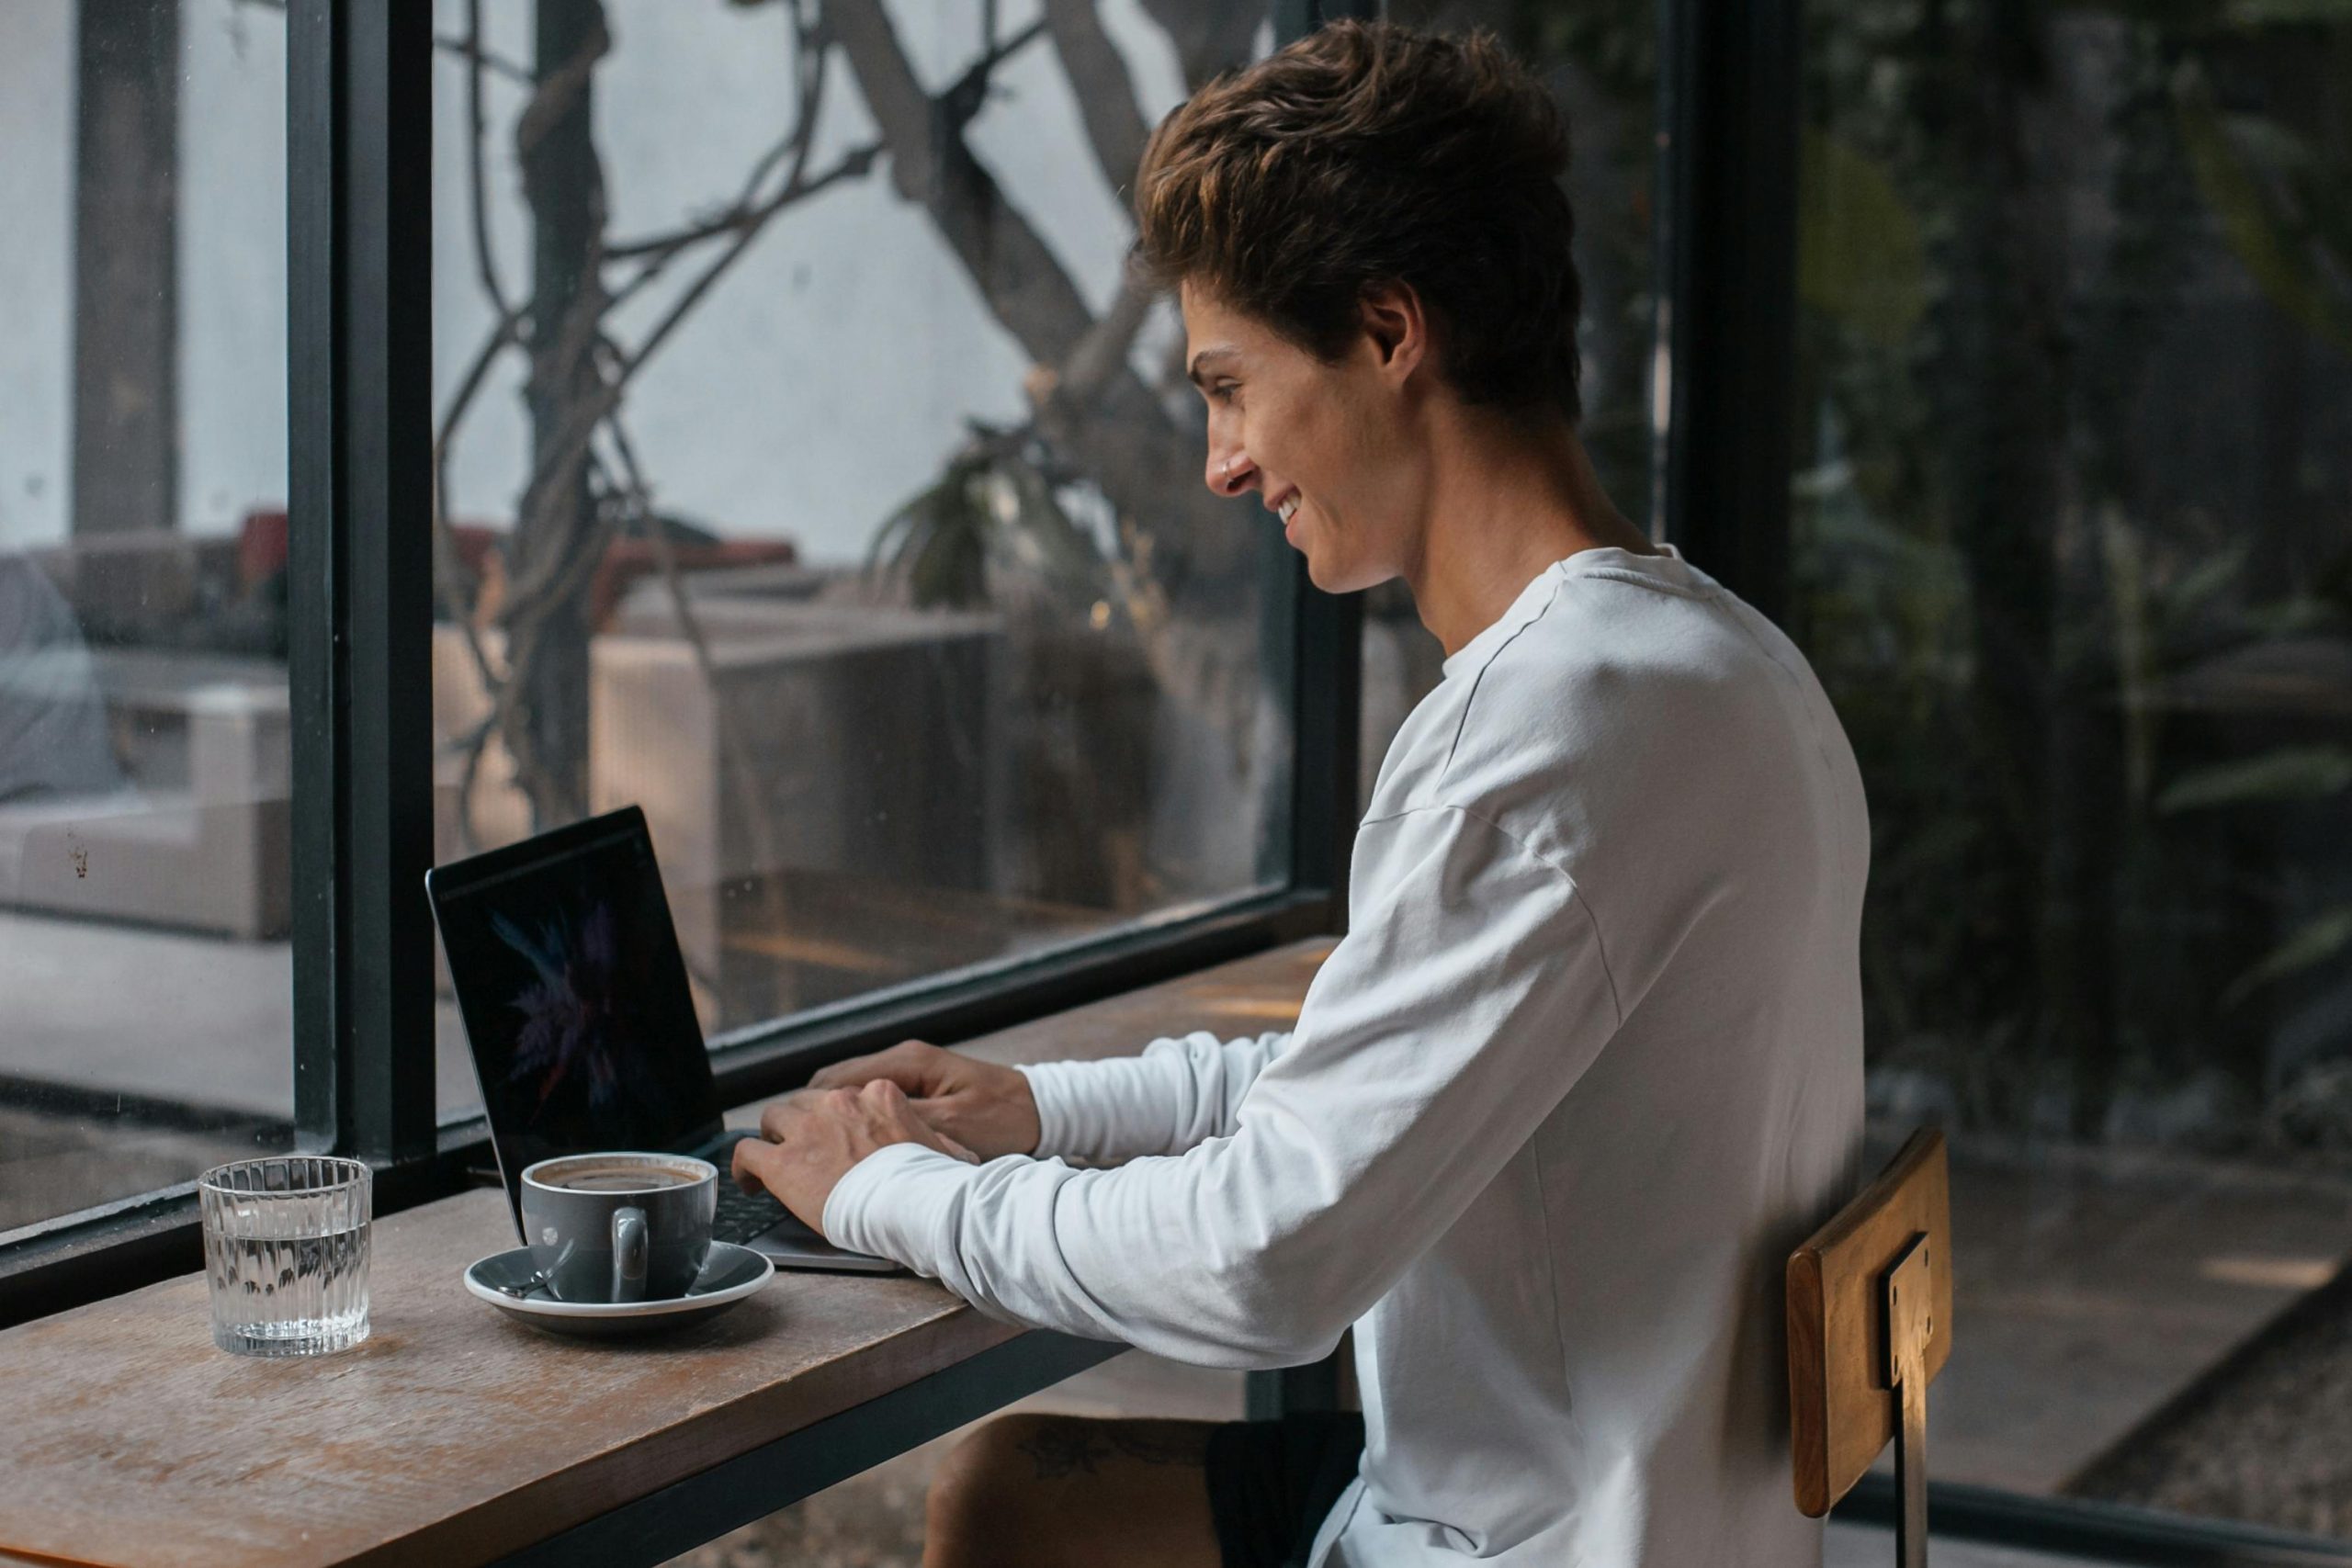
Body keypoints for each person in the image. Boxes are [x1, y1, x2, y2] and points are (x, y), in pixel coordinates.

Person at [731, 20, 1869, 1568]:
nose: (1220, 459)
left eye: (1231, 386)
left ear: (1390, 333)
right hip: (1653, 1507)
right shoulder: (1715, 662)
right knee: (1010, 1493)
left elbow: (1268, 1261)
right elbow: (1370, 1085)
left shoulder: (1546, 733)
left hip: (1528, 1541)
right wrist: (1042, 1114)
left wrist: (895, 1198)